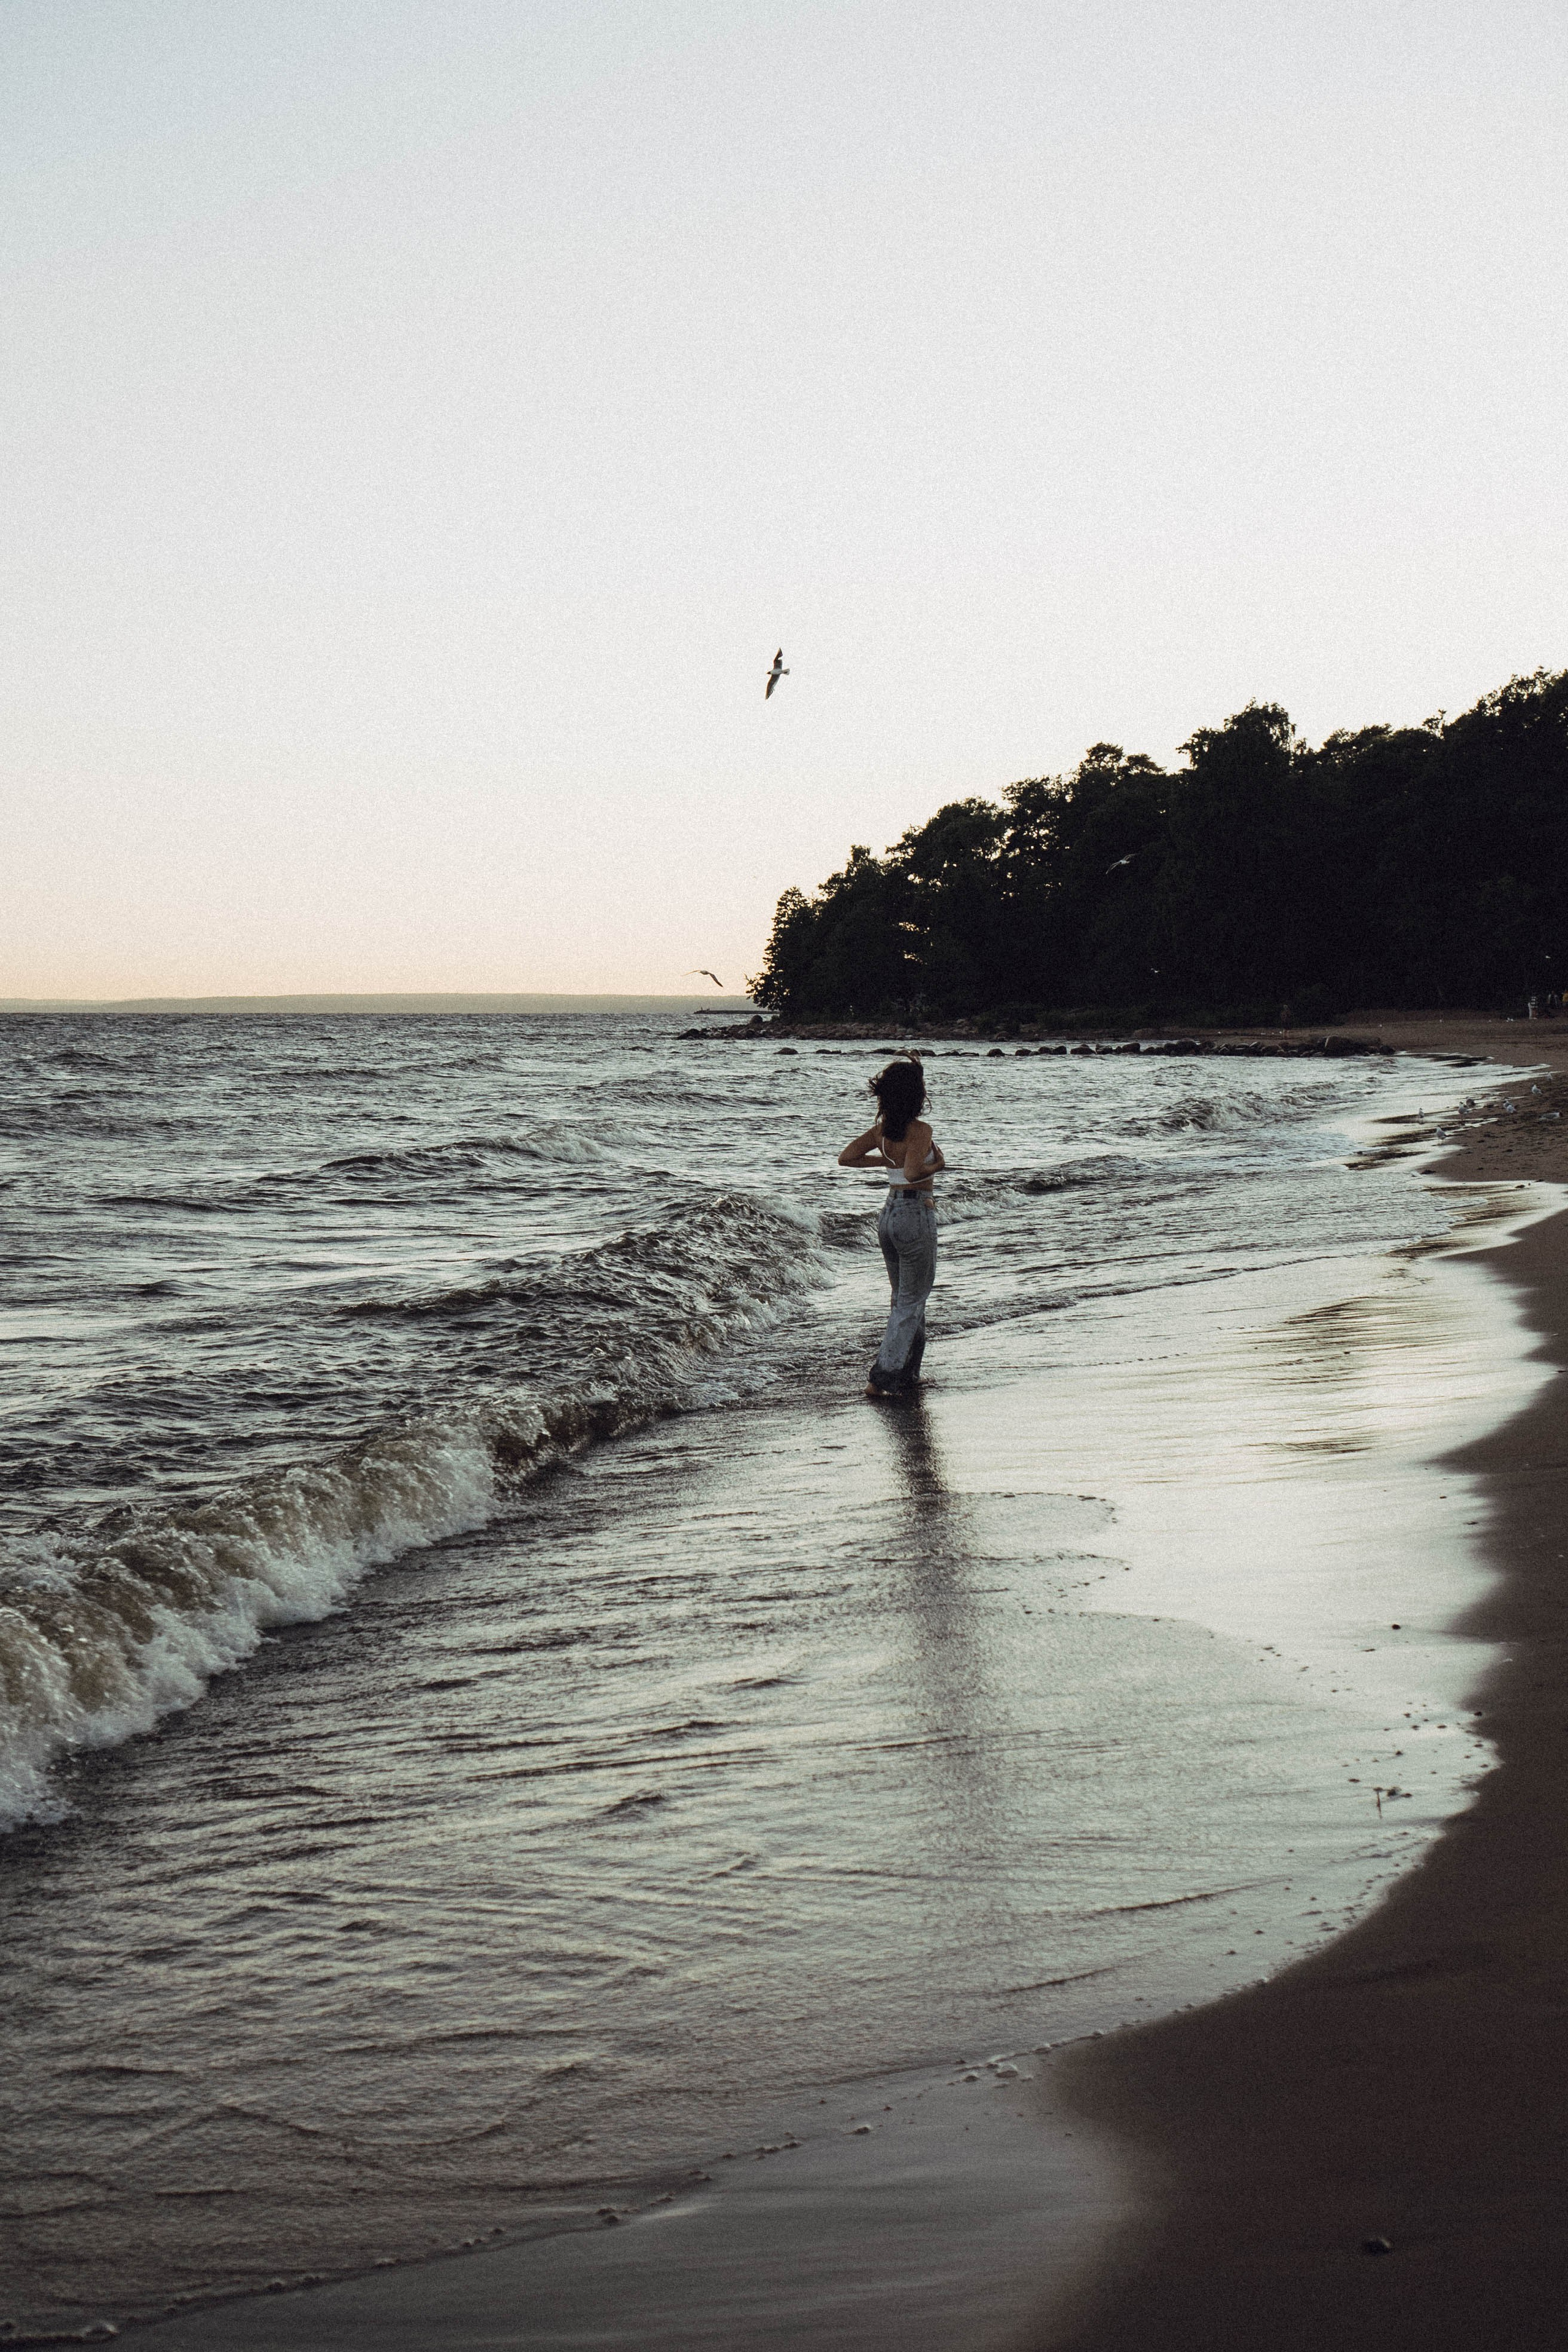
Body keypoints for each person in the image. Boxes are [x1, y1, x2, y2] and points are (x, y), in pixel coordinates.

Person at [837, 1056, 945, 1398]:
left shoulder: (884, 1131)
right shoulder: (920, 1130)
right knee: (911, 1301)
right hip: (915, 1213)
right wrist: (939, 1165)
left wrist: (884, 1160)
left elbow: (848, 1157)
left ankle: (907, 1374)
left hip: (888, 1215)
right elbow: (914, 1173)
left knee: (905, 1299)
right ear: (917, 1095)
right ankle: (882, 1377)